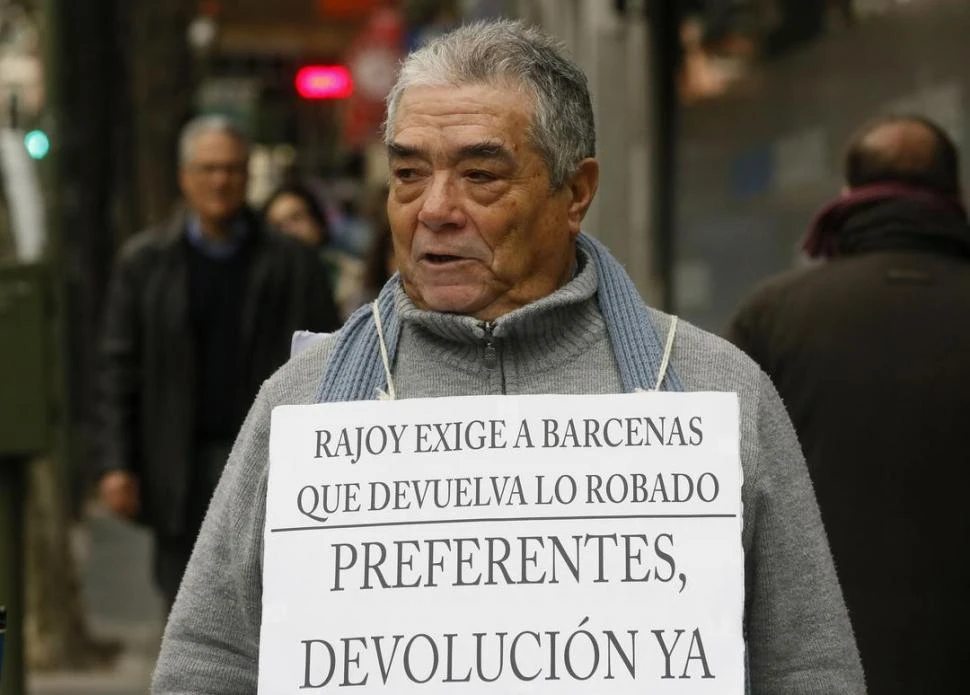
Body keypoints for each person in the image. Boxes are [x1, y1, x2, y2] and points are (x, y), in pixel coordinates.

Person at [152, 21, 864, 693]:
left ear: (575, 192)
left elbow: (808, 666)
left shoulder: (717, 394)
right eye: (408, 175)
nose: (435, 208)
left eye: (480, 175)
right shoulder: (303, 404)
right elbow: (209, 658)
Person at [727, 114, 970, 693]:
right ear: (954, 197)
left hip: (816, 664)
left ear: (847, 198)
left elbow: (721, 499)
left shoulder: (773, 314)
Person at [95, 115, 340, 611]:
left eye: (231, 169)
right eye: (208, 169)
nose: (220, 181)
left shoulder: (293, 263)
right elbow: (119, 368)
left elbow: (328, 359)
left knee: (273, 603)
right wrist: (116, 463)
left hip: (271, 458)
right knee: (186, 607)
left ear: (248, 176)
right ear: (185, 177)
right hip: (178, 464)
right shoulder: (144, 265)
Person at [264, 181, 365, 321]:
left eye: (296, 218)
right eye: (278, 226)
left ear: (317, 221)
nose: (288, 231)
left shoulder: (354, 276)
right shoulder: (263, 285)